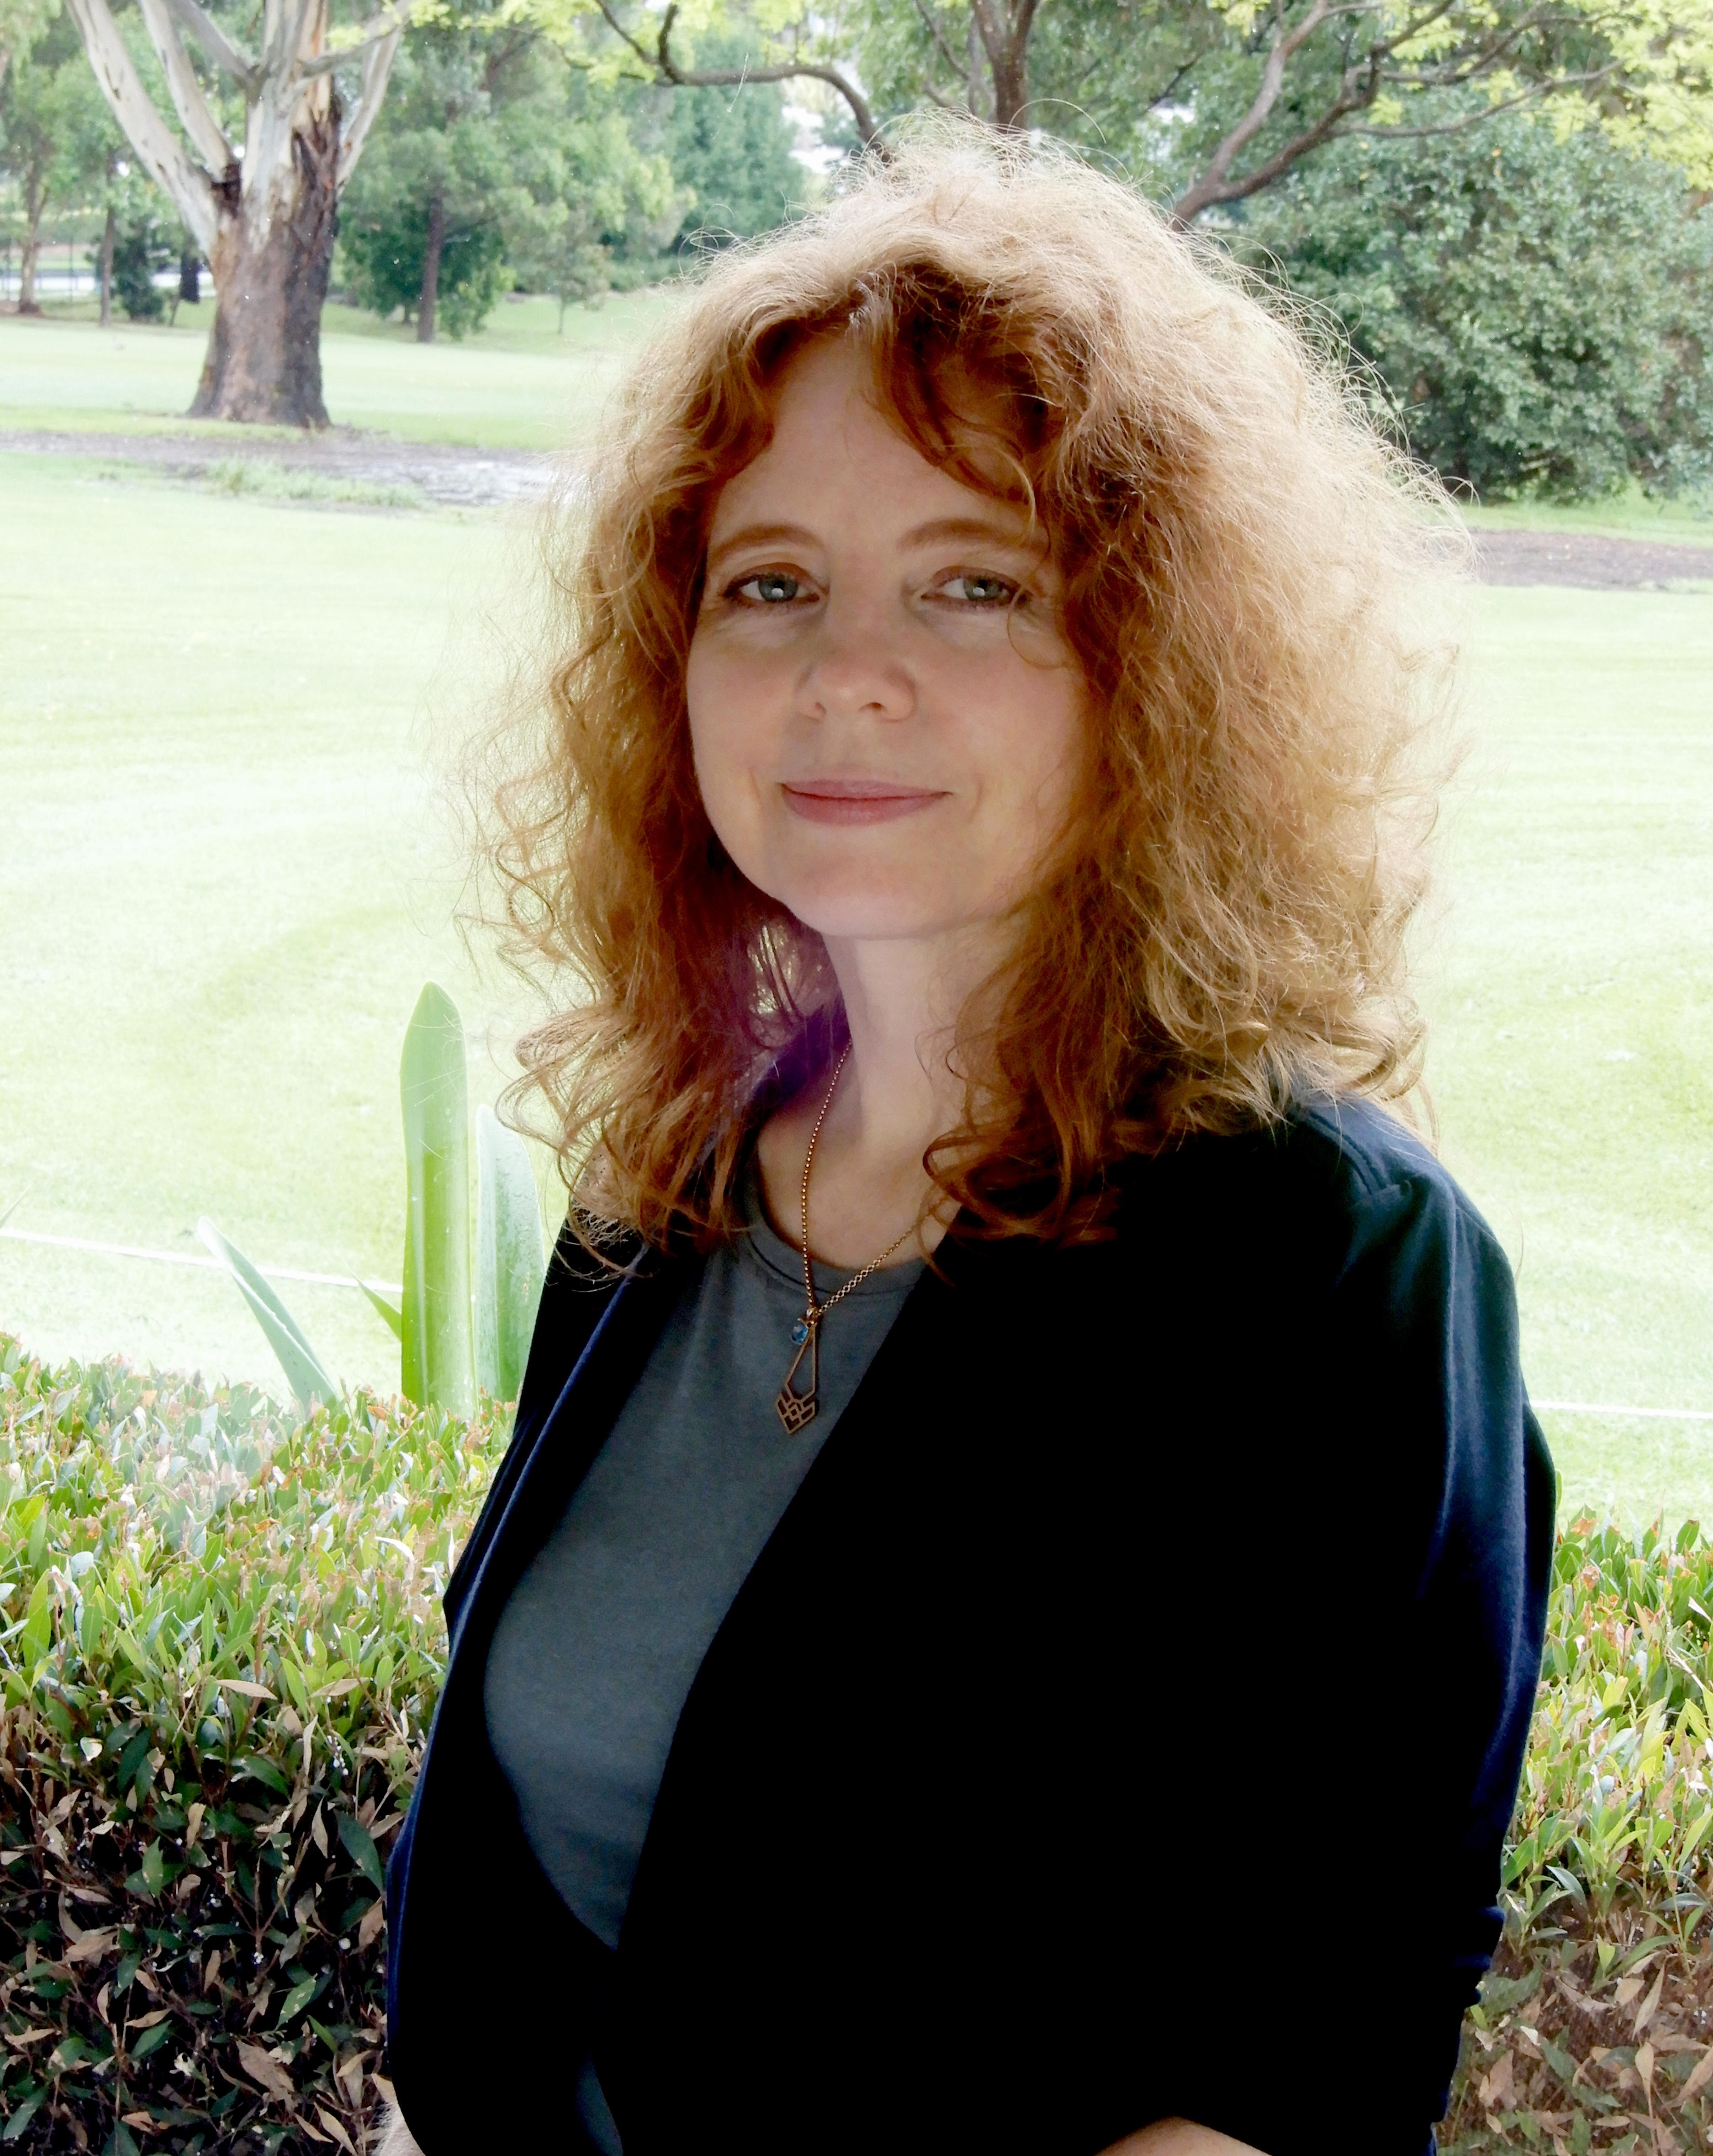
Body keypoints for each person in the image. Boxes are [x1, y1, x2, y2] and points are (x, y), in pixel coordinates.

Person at [381, 131, 1553, 2156]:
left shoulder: (1334, 1268)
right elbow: (515, 1916)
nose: (847, 671)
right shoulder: (661, 1182)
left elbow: (1298, 2053)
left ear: (1151, 667)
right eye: (770, 584)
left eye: (974, 582)